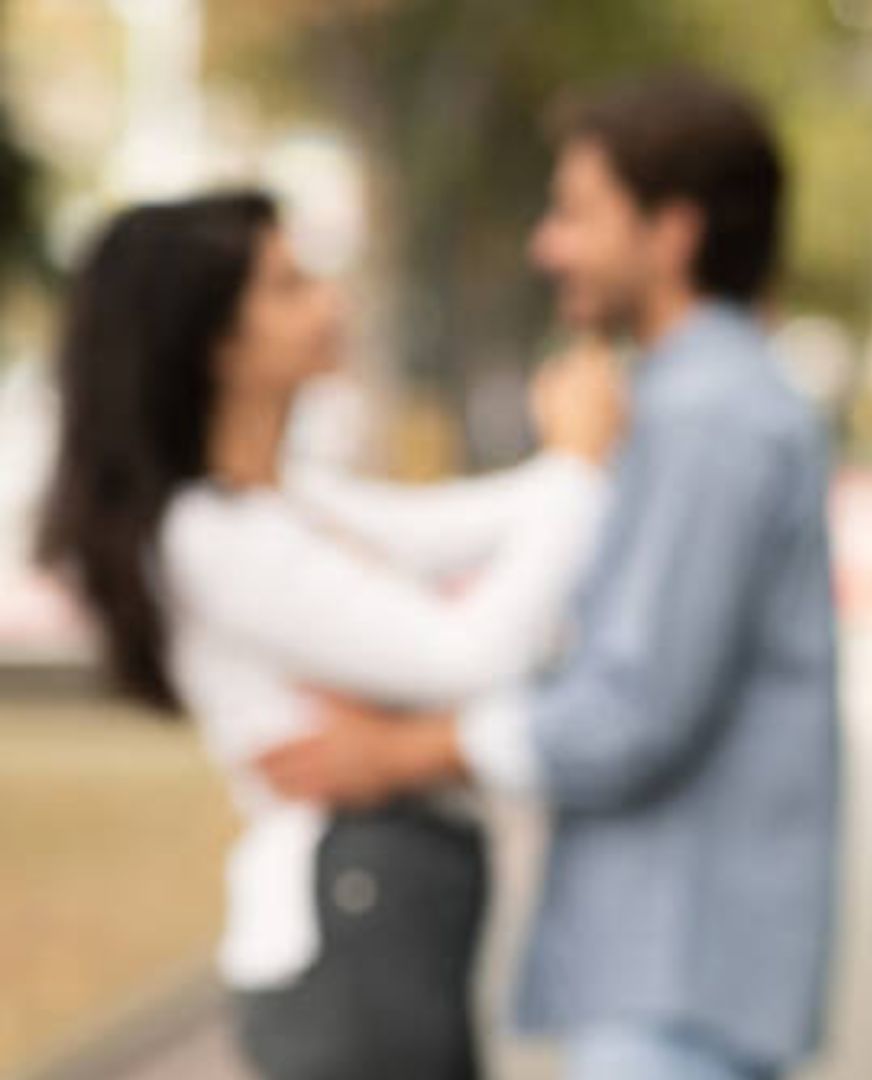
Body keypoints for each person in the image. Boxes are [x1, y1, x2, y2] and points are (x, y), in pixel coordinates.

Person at [258, 69, 841, 1080]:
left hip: (678, 979)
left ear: (673, 234)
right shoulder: (678, 406)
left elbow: (634, 707)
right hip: (669, 967)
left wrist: (403, 752)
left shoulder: (710, 420)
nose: (546, 246)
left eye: (576, 214)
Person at [36, 189, 624, 1079]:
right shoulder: (214, 534)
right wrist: (579, 464)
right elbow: (464, 653)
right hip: (352, 926)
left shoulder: (286, 500)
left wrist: (578, 454)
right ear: (215, 342)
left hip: (382, 919)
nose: (329, 304)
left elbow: (468, 524)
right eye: (288, 287)